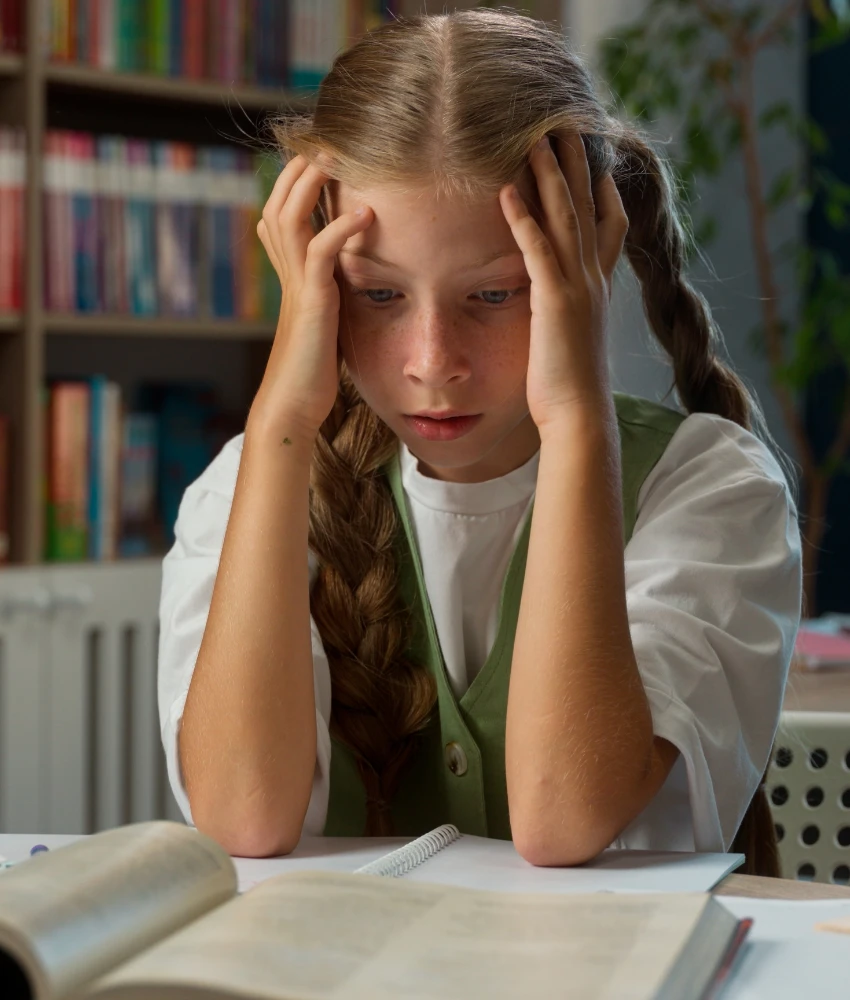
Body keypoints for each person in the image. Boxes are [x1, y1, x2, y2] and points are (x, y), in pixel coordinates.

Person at [157, 8, 802, 869]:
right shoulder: (245, 492)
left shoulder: (712, 488)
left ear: (587, 263)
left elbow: (564, 818)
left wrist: (574, 418)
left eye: (495, 295)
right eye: (378, 295)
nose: (433, 362)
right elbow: (240, 820)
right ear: (312, 274)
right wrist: (279, 418)